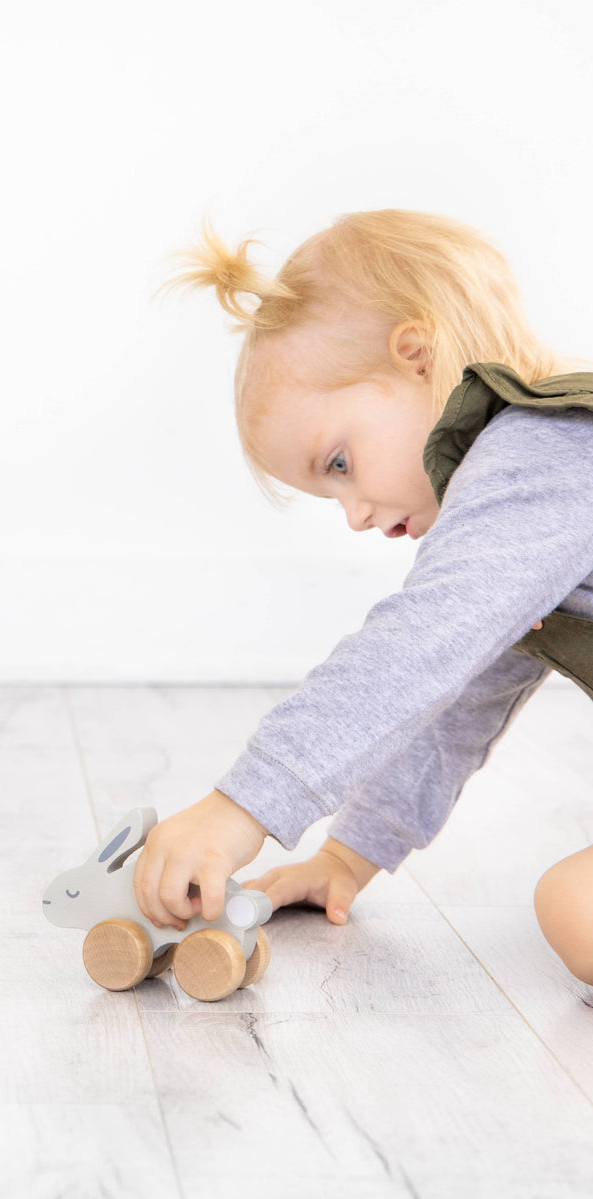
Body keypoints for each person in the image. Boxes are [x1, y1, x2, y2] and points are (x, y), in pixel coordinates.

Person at [132, 209, 593, 984]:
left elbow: (414, 651)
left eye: (339, 462)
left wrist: (241, 805)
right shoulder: (525, 512)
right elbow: (456, 705)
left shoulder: (543, 453)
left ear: (417, 357)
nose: (356, 514)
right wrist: (351, 853)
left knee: (571, 905)